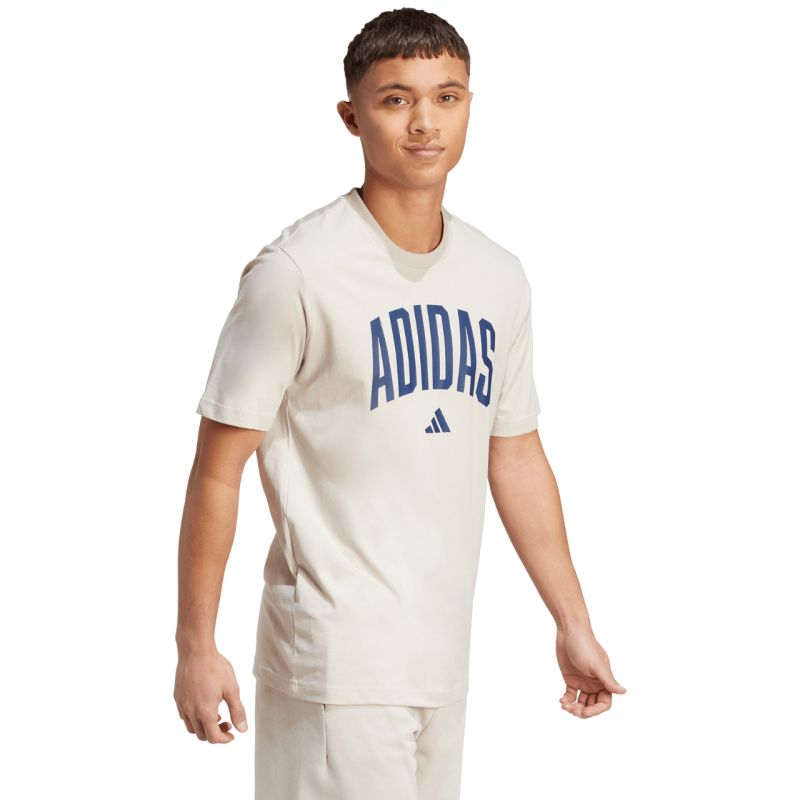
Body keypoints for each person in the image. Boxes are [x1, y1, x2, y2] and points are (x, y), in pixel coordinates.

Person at [174, 7, 626, 799]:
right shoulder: (296, 274)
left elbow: (516, 454)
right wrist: (195, 645)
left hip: (441, 663)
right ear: (352, 116)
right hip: (333, 665)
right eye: (395, 99)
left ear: (469, 105)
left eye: (446, 97)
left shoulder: (497, 276)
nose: (425, 122)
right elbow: (218, 469)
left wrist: (572, 622)